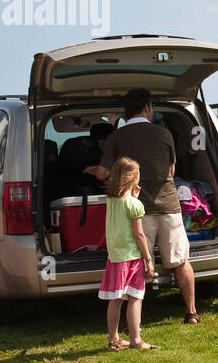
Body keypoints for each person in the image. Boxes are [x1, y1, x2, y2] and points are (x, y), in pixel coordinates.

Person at [85, 88, 200, 323]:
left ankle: (133, 323)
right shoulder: (164, 134)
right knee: (180, 261)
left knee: (136, 265)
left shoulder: (116, 138)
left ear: (125, 113)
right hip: (169, 207)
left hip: (137, 210)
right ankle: (191, 312)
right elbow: (171, 171)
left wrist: (89, 170)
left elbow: (104, 173)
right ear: (147, 107)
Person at [99, 157, 158, 350]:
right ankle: (136, 340)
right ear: (133, 177)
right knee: (135, 298)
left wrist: (133, 195)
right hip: (132, 257)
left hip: (115, 257)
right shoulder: (135, 205)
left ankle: (114, 339)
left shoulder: (112, 200)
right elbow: (139, 234)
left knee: (115, 300)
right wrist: (148, 259)